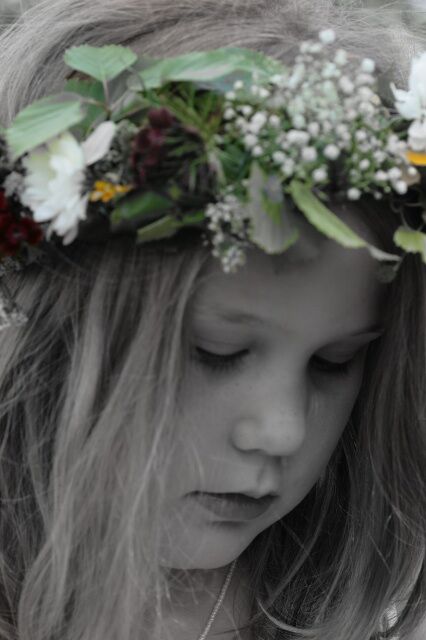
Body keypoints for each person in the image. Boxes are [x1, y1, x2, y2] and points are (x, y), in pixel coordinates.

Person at [0, 1, 425, 639]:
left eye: (333, 363)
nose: (281, 431)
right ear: (40, 323)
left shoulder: (348, 617)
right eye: (216, 351)